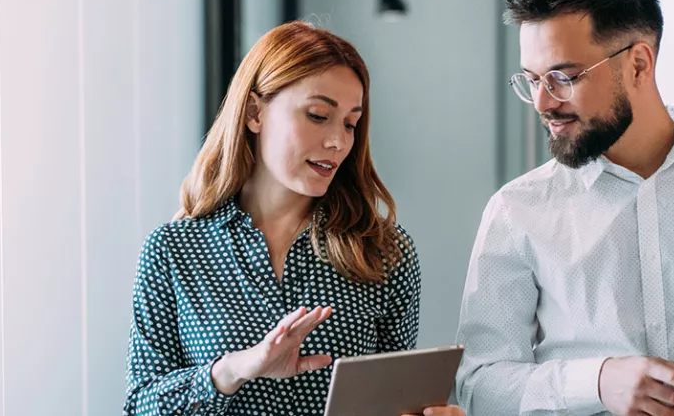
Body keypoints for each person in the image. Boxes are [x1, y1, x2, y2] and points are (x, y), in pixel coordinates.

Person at [454, 0, 674, 416]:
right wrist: (597, 381)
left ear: (639, 63)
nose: (544, 103)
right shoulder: (516, 210)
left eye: (563, 77)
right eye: (532, 80)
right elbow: (477, 386)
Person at [123, 21, 463, 416]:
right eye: (319, 115)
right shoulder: (173, 250)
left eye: (350, 124)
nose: (338, 142)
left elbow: (394, 404)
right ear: (254, 112)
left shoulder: (384, 251)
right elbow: (140, 405)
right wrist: (233, 370)